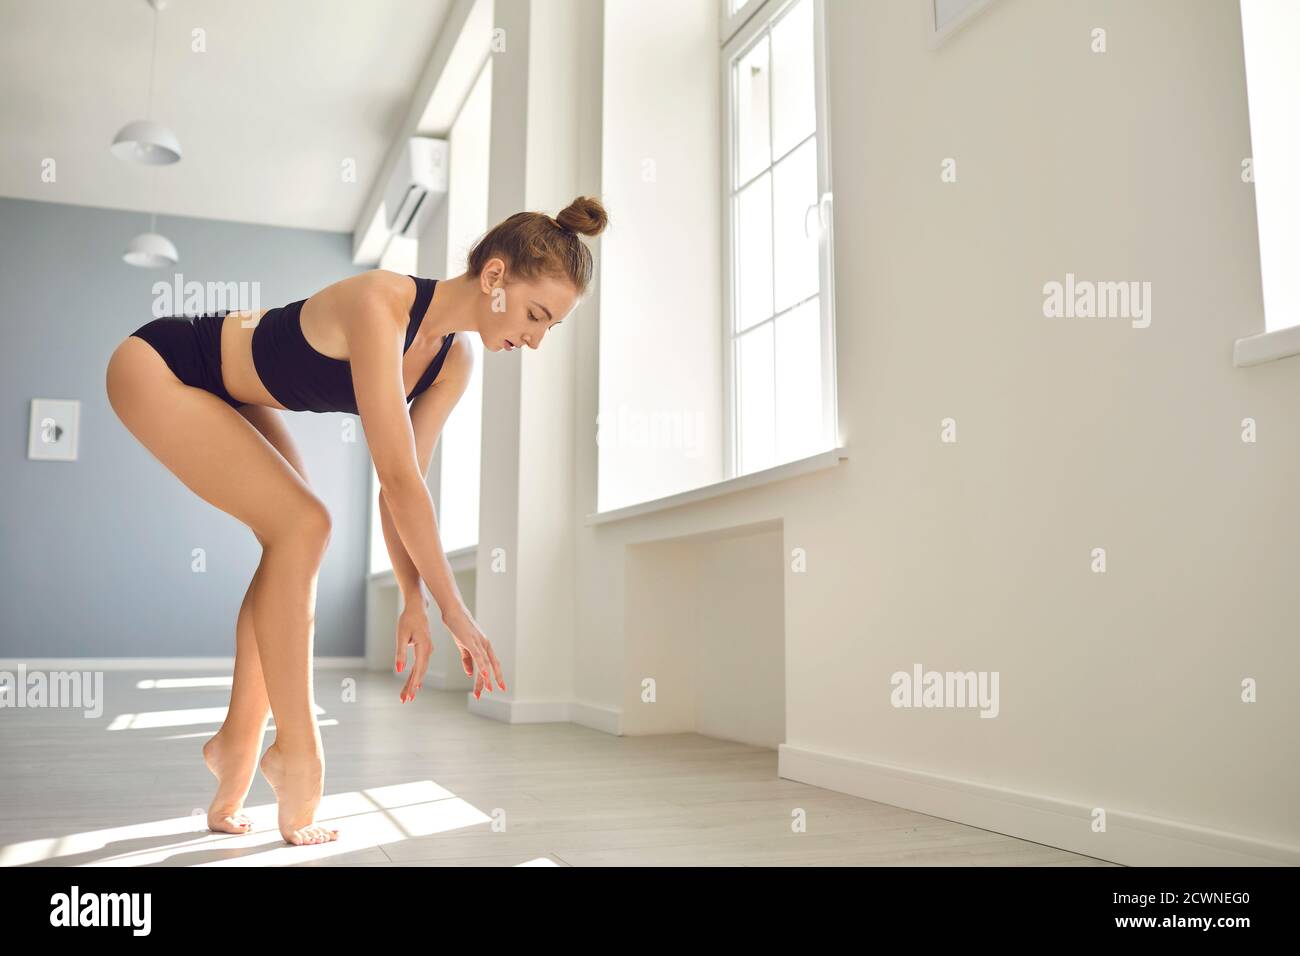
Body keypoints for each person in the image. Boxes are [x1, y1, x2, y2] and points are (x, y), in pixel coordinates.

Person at [105, 196, 608, 845]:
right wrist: (454, 611)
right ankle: (298, 753)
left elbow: (404, 487)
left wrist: (412, 598)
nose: (537, 339)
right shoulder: (381, 303)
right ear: (494, 276)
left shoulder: (453, 360)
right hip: (162, 364)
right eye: (537, 315)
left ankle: (236, 748)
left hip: (226, 388)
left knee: (294, 537)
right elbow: (396, 479)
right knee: (304, 525)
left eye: (551, 328)